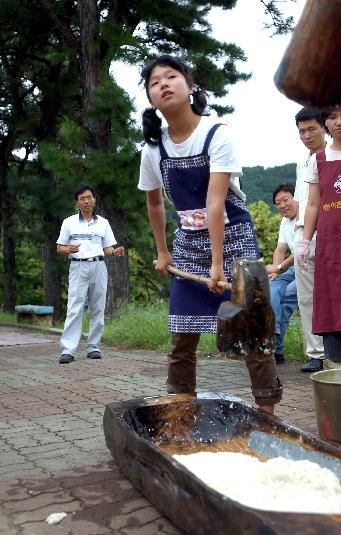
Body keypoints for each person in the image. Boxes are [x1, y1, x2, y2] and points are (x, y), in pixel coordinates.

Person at [138, 54, 282, 414]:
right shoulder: (153, 151)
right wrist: (162, 252)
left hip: (234, 239)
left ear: (190, 86)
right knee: (182, 339)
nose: (164, 84)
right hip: (187, 243)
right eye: (155, 82)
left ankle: (268, 414)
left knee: (253, 331)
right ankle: (180, 411)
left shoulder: (218, 134)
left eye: (172, 77)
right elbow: (155, 205)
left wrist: (218, 264)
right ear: (151, 99)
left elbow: (215, 202)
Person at [297, 104, 341, 367]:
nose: (339, 122)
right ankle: (339, 361)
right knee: (334, 295)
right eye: (332, 117)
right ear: (326, 123)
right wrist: (306, 241)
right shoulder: (319, 159)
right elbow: (312, 205)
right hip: (330, 242)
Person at [56, 184, 124, 364]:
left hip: (98, 266)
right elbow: (59, 248)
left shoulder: (103, 223)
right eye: (82, 199)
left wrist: (114, 252)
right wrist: (67, 249)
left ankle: (93, 347)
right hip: (78, 267)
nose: (86, 201)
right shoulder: (68, 222)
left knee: (98, 308)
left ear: (94, 199)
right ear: (77, 202)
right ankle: (68, 350)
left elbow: (107, 247)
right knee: (74, 307)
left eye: (89, 197)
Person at [294, 108, 326, 372]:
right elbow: (300, 203)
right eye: (301, 131)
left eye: (311, 129)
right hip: (302, 233)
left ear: (324, 126)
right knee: (307, 297)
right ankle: (316, 353)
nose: (306, 136)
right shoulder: (302, 161)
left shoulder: (335, 155)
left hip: (328, 231)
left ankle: (339, 349)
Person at [266, 185, 299, 365]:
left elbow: (301, 249)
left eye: (286, 200)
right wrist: (274, 269)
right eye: (278, 203)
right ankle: (274, 349)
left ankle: (276, 349)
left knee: (285, 298)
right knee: (271, 288)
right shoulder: (284, 222)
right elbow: (280, 249)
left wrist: (278, 267)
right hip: (294, 270)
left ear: (296, 197)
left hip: (312, 269)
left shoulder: (306, 216)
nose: (282, 205)